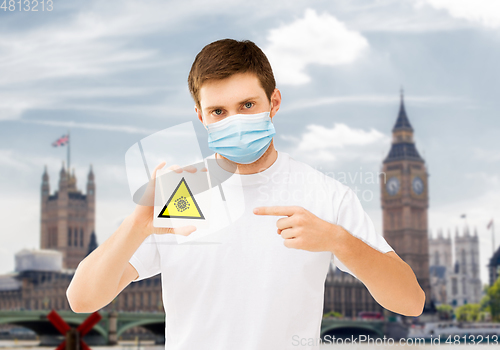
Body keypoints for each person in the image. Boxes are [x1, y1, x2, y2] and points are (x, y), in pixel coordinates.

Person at [67, 39, 425, 349]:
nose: (234, 121)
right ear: (200, 115)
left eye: (248, 106)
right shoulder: (181, 193)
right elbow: (82, 299)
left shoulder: (325, 194)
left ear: (275, 102)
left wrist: (338, 240)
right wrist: (136, 226)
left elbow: (410, 301)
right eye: (218, 111)